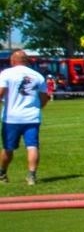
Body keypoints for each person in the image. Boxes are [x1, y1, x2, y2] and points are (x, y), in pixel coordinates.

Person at [0, 49, 50, 185]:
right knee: (32, 146)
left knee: (8, 148)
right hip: (32, 117)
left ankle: (2, 173)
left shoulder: (6, 74)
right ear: (26, 61)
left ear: (13, 61)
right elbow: (44, 98)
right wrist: (36, 107)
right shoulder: (38, 76)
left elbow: (1, 92)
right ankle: (32, 175)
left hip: (11, 117)